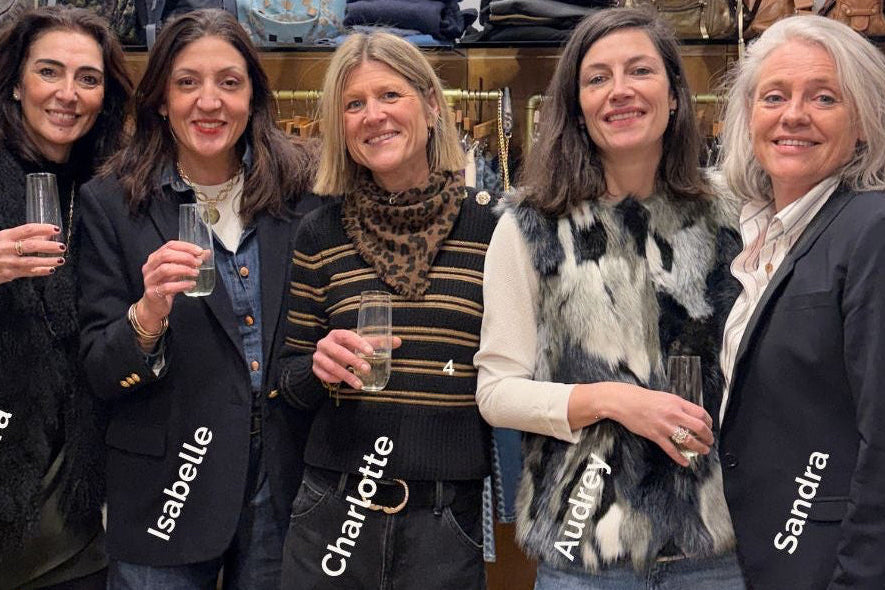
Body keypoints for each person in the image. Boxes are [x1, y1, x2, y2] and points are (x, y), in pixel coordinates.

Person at [474, 8, 746, 589]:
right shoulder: (528, 227)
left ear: (674, 95)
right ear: (576, 108)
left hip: (718, 552)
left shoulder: (736, 214)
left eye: (639, 71)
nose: (619, 91)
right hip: (584, 554)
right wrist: (616, 401)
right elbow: (497, 393)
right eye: (597, 78)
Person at [76, 9, 318, 589]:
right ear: (161, 98)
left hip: (281, 489)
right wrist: (147, 314)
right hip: (164, 488)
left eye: (228, 83)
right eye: (187, 82)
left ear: (253, 97)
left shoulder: (305, 193)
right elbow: (99, 368)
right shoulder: (111, 202)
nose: (209, 102)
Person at [276, 31, 496, 590]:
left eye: (390, 96)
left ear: (428, 104)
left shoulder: (493, 227)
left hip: (444, 521)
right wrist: (318, 366)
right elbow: (290, 381)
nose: (373, 116)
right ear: (340, 127)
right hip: (333, 509)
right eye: (354, 104)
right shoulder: (319, 233)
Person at [716, 15, 885, 590]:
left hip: (829, 562)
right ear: (749, 119)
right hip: (756, 554)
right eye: (774, 96)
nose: (793, 115)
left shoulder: (872, 228)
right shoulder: (755, 235)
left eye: (824, 97)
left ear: (861, 122)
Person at [0, 7, 132, 590]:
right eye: (49, 72)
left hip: (69, 519)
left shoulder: (109, 190)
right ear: (15, 82)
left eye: (88, 78)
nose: (68, 94)